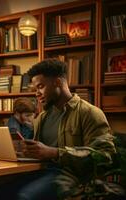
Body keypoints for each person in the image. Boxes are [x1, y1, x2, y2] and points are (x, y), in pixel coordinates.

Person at [15, 59, 116, 199]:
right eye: (35, 89)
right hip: (40, 171)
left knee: (26, 196)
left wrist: (55, 153)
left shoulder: (90, 113)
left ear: (57, 82)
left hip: (72, 177)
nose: (36, 93)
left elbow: (105, 156)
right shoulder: (42, 117)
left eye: (40, 86)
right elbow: (40, 152)